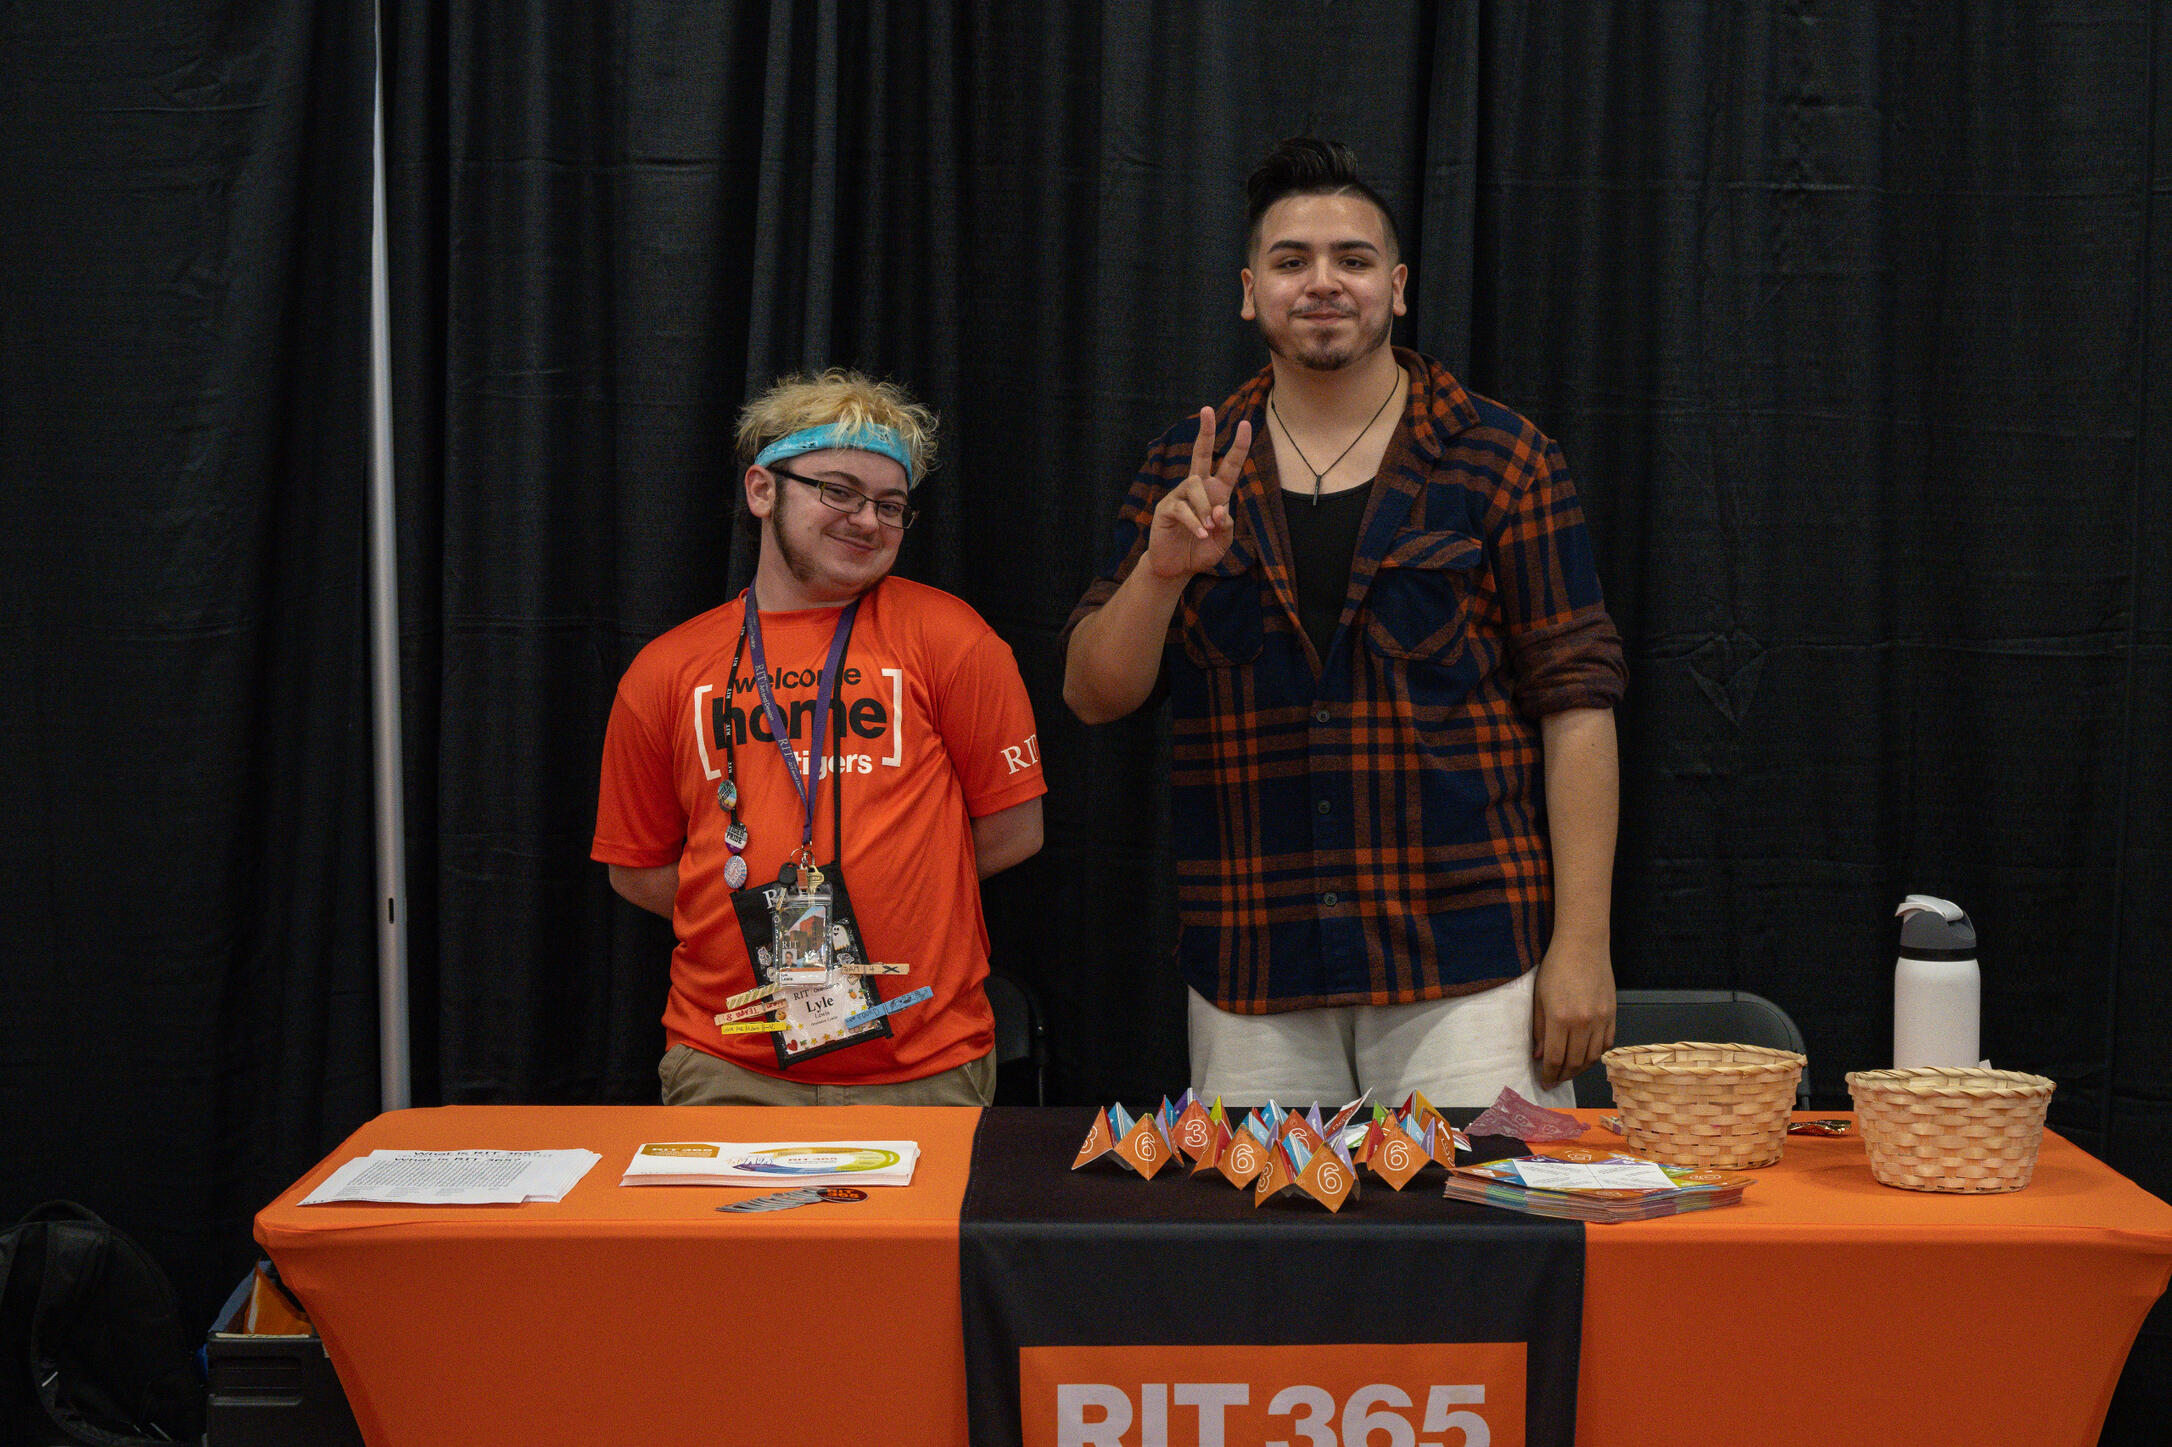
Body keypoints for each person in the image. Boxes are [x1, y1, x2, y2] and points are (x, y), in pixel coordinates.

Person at [1064, 138, 1625, 1108]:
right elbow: (1093, 693)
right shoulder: (1184, 469)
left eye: (1352, 260)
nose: (1323, 282)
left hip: (1470, 967)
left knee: (1487, 1250)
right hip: (1254, 970)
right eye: (1292, 261)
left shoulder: (1503, 459)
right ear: (1250, 292)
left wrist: (1582, 946)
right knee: (1272, 1260)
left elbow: (1578, 710)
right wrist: (1160, 575)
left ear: (1397, 287)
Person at [594, 369, 1046, 1105]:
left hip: (925, 1065)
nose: (867, 520)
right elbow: (637, 867)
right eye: (837, 490)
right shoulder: (667, 669)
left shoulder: (954, 640)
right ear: (763, 490)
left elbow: (1014, 829)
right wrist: (740, 892)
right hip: (726, 1062)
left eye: (890, 505)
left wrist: (905, 885)